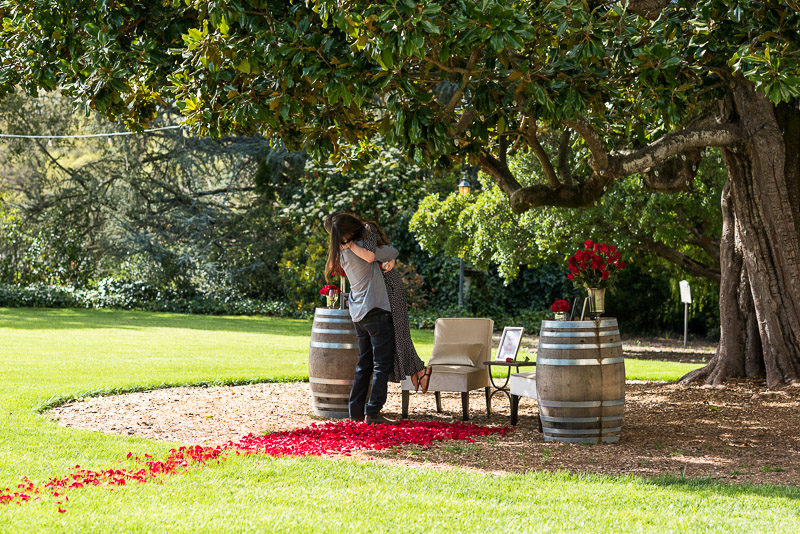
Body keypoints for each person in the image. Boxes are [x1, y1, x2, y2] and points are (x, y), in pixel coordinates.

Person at [325, 213, 432, 394]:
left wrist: (388, 258)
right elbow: (387, 252)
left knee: (401, 330)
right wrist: (390, 257)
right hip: (377, 288)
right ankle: (419, 369)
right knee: (397, 333)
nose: (340, 240)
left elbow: (373, 255)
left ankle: (419, 369)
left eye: (340, 235)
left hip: (388, 285)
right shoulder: (351, 242)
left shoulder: (366, 230)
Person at [325, 213, 401, 425]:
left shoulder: (340, 253)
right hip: (376, 310)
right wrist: (390, 258)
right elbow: (391, 250)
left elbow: (383, 255)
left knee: (364, 363)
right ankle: (373, 412)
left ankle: (355, 411)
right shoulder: (363, 249)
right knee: (381, 365)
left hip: (359, 314)